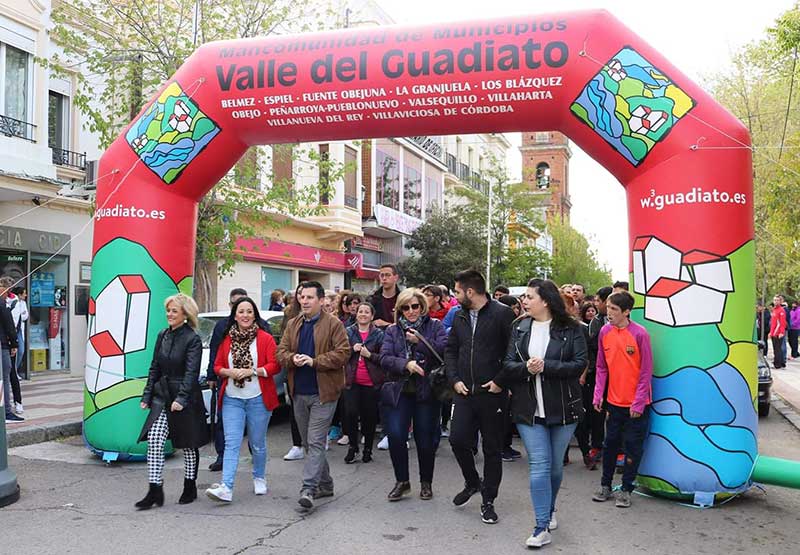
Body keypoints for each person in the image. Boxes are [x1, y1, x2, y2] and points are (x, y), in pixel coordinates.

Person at [498, 278, 587, 548]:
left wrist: (545, 366)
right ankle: (541, 526)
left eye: (529, 296)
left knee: (555, 468)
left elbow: (580, 364)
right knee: (539, 465)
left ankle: (550, 509)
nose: (524, 301)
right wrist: (527, 368)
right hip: (528, 409)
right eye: (524, 297)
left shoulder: (571, 328)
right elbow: (508, 364)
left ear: (545, 300)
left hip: (564, 408)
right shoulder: (520, 326)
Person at [446, 269, 515, 525]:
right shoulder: (459, 315)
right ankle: (473, 482)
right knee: (457, 439)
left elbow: (513, 353)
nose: (455, 296)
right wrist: (454, 379)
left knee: (492, 448)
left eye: (457, 291)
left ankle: (488, 500)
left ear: (470, 292)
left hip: (492, 394)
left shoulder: (502, 314)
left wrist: (500, 381)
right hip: (464, 392)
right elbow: (451, 350)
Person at [276, 281, 350, 510]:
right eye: (302, 297)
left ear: (320, 300)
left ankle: (308, 488)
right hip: (299, 391)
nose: (304, 301)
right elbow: (281, 351)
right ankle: (326, 484)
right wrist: (292, 359)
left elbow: (343, 353)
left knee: (316, 441)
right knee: (310, 444)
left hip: (324, 392)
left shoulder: (334, 324)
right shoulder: (293, 324)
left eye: (309, 297)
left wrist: (315, 362)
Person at [136, 294, 208, 509]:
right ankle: (154, 490)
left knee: (188, 444)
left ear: (185, 314)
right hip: (162, 395)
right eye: (168, 310)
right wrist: (147, 395)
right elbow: (154, 367)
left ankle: (190, 486)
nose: (169, 314)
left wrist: (182, 398)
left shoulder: (192, 338)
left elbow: (191, 372)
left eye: (174, 311)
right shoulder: (162, 335)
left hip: (184, 398)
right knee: (155, 440)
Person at [206, 297, 281, 503]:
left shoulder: (265, 338)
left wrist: (252, 371)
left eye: (249, 311)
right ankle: (226, 487)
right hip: (232, 399)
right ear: (235, 315)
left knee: (257, 443)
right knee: (232, 443)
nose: (245, 315)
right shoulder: (227, 339)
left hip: (258, 398)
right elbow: (217, 366)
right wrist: (229, 372)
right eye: (241, 311)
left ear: (254, 314)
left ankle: (259, 476)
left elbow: (275, 365)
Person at [380, 288, 447, 501]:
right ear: (399, 310)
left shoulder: (434, 326)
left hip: (427, 389)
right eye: (405, 307)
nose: (411, 311)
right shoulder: (392, 330)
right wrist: (405, 364)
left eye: (415, 306)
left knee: (425, 439)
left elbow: (444, 353)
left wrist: (421, 343)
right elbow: (384, 358)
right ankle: (402, 481)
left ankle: (426, 482)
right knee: (396, 435)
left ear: (422, 306)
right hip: (400, 390)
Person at [592, 291, 653, 509]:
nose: (609, 313)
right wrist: (598, 394)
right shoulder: (604, 332)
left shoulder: (640, 334)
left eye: (614, 310)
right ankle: (605, 486)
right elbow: (601, 367)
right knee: (609, 446)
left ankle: (626, 489)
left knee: (632, 448)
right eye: (608, 308)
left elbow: (646, 372)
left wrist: (637, 402)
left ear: (627, 312)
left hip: (638, 405)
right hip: (613, 402)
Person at [207, 288, 251, 471]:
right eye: (235, 304)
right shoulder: (222, 326)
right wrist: (212, 375)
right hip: (226, 379)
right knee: (223, 420)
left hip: (251, 380)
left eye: (242, 303)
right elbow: (214, 351)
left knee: (253, 421)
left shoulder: (259, 324)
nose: (239, 308)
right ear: (230, 305)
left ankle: (255, 452)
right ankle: (222, 455)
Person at [343, 302, 385, 464]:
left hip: (371, 382)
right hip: (351, 381)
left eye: (367, 312)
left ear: (372, 316)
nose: (363, 314)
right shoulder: (348, 332)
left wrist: (369, 355)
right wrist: (351, 349)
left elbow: (383, 358)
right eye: (360, 311)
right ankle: (353, 447)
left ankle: (368, 448)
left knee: (369, 417)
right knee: (351, 414)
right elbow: (339, 353)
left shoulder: (379, 335)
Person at [576, 286, 612, 470]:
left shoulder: (633, 329)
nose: (595, 305)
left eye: (598, 301)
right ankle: (594, 447)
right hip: (595, 373)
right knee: (592, 411)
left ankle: (612, 449)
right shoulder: (596, 323)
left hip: (613, 375)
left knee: (605, 414)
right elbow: (591, 351)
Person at [282, 285, 306, 461]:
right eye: (299, 294)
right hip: (293, 367)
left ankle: (313, 441)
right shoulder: (289, 314)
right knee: (294, 407)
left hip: (314, 367)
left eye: (306, 295)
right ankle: (297, 444)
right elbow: (282, 343)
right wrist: (290, 357)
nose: (303, 298)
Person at [0, 277, 21, 422]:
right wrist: (14, 344)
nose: (8, 293)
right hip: (2, 346)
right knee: (5, 377)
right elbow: (9, 326)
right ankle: (6, 412)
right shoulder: (2, 304)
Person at [6, 286, 25, 414]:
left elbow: (12, 324)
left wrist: (13, 344)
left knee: (12, 372)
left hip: (7, 341)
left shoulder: (14, 302)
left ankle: (17, 402)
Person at [368, 264, 403, 329]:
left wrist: (387, 325)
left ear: (396, 278)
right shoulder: (371, 300)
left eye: (388, 275)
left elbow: (407, 324)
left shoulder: (403, 300)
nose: (384, 278)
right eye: (382, 275)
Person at [769, 295, 788, 369]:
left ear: (780, 301)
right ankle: (779, 362)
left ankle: (778, 364)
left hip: (778, 333)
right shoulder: (774, 310)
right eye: (775, 300)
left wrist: (781, 332)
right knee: (775, 349)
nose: (776, 301)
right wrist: (771, 332)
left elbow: (782, 323)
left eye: (777, 300)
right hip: (774, 333)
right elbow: (773, 323)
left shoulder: (781, 310)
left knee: (778, 349)